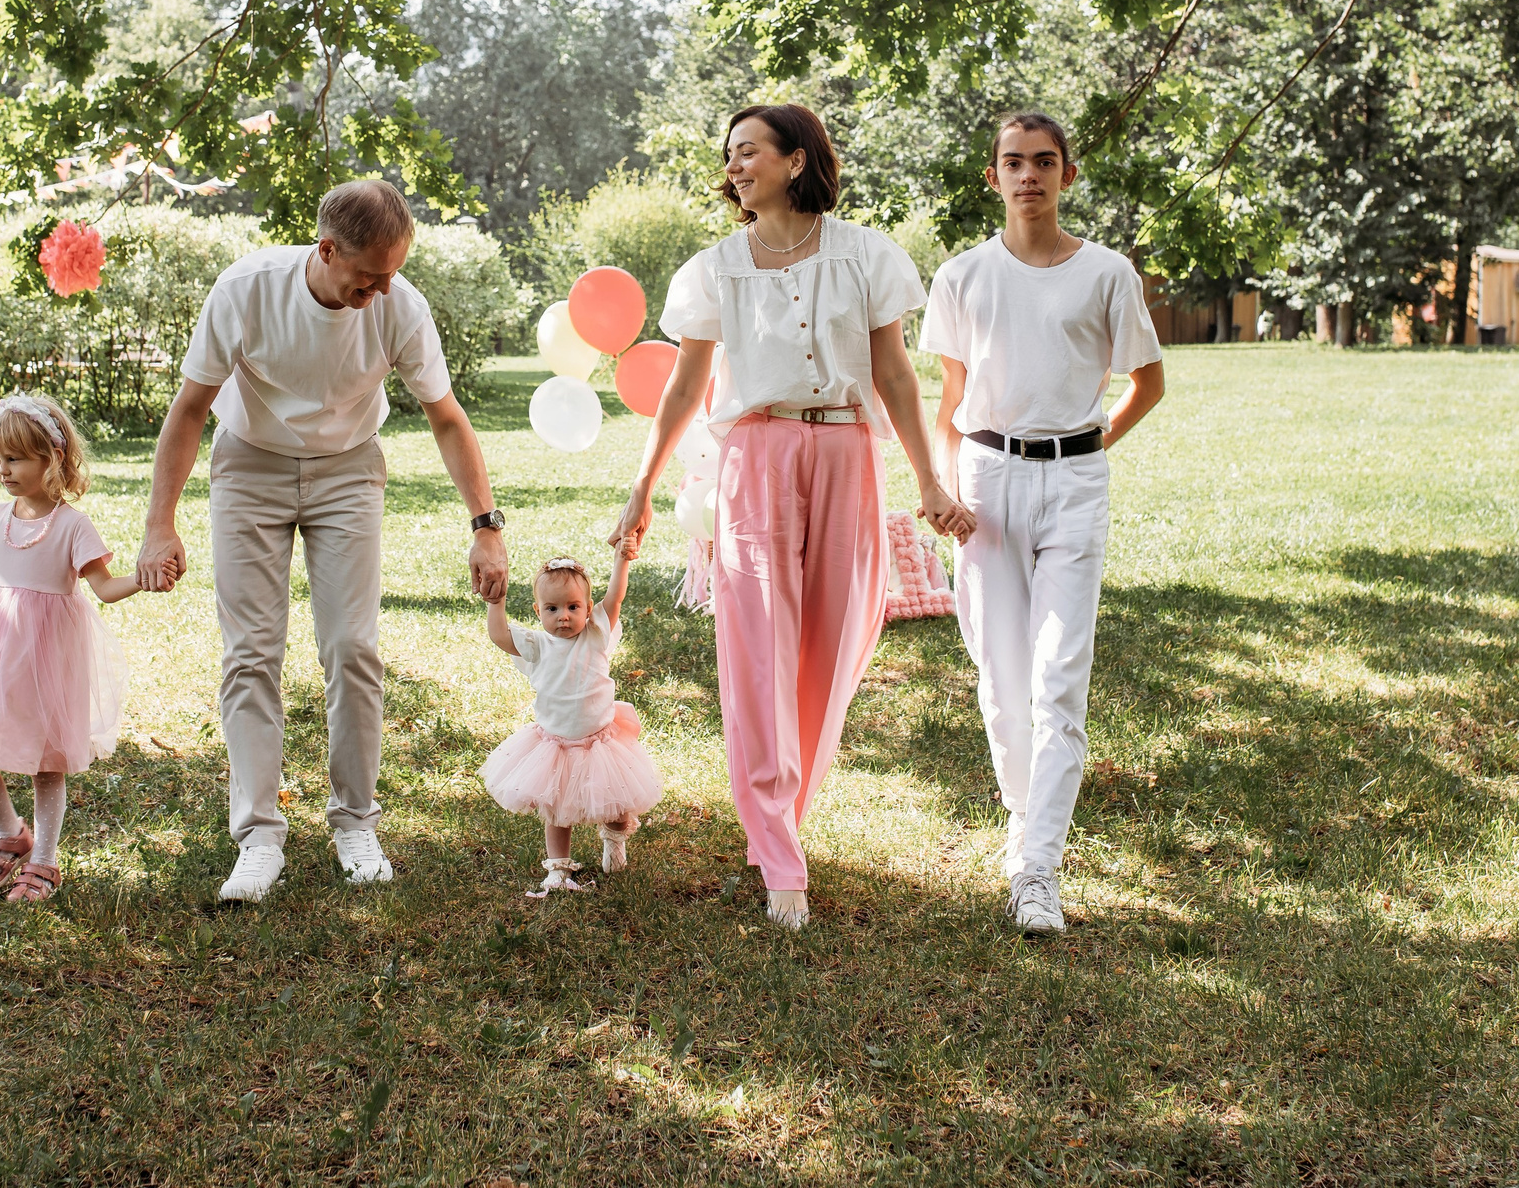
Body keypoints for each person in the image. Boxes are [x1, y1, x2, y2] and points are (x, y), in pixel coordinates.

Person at [612, 104, 974, 931]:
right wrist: (642, 486)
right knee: (757, 649)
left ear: (797, 159)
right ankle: (778, 848)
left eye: (749, 151)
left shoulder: (867, 255)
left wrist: (928, 479)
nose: (735, 166)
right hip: (758, 454)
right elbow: (683, 387)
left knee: (834, 645)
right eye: (730, 154)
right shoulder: (714, 269)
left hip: (847, 451)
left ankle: (782, 815)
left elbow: (895, 374)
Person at [135, 180, 510, 904]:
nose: (382, 289)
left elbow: (446, 416)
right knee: (251, 652)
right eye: (369, 276)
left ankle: (355, 823)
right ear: (327, 249)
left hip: (348, 469)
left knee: (352, 647)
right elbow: (189, 409)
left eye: (392, 274)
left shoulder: (399, 305)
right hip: (250, 463)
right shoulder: (247, 290)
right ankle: (258, 837)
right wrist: (160, 524)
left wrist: (486, 527)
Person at [921, 113, 1166, 934]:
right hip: (985, 482)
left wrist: (1085, 448)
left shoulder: (1107, 273)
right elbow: (950, 400)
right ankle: (1023, 821)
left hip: (1074, 482)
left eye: (1045, 161)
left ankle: (1038, 870)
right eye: (1015, 162)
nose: (1030, 174)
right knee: (1002, 682)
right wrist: (942, 484)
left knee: (1059, 677)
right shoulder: (962, 276)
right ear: (993, 176)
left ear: (1067, 174)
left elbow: (1148, 383)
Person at [0, 394, 144, 905]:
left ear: (52, 459)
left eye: (15, 459)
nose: (3, 469)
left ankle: (43, 858)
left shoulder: (72, 526)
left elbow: (104, 588)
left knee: (46, 759)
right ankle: (8, 834)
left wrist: (143, 579)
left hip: (46, 656)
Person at [478, 549, 665, 895]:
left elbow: (615, 597)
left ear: (588, 607)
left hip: (600, 742)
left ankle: (614, 840)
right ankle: (558, 869)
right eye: (552, 609)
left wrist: (622, 560)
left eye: (573, 607)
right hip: (556, 744)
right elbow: (500, 636)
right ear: (538, 611)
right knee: (556, 810)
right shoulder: (537, 645)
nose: (563, 616)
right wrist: (496, 603)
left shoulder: (596, 634)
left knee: (616, 802)